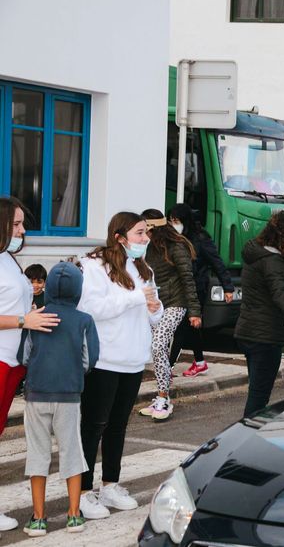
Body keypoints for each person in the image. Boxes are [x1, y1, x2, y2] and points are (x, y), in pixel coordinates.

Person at [76, 212, 163, 520]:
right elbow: (90, 309)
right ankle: (83, 492)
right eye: (140, 233)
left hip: (133, 359)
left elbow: (154, 315)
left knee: (118, 427)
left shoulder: (143, 268)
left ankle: (110, 484)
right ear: (119, 236)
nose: (145, 239)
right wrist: (135, 299)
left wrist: (154, 306)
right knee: (92, 426)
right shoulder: (95, 267)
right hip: (104, 359)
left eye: (147, 233)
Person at [17, 262, 99, 536]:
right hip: (69, 395)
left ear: (49, 286)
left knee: (38, 454)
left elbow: (23, 357)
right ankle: (74, 515)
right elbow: (90, 360)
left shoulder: (35, 316)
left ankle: (38, 518)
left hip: (37, 393)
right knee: (72, 451)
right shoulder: (84, 320)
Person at [0, 197, 61, 534]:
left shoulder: (8, 259)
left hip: (12, 361)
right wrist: (25, 320)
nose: (22, 231)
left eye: (22, 224)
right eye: (16, 224)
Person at [234, 211, 284, 418]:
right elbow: (280, 294)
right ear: (282, 236)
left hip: (249, 331)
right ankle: (247, 438)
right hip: (264, 336)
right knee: (259, 398)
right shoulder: (272, 260)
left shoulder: (257, 253)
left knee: (257, 392)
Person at [138, 209, 200, 421]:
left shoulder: (176, 246)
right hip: (156, 303)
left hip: (176, 302)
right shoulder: (146, 246)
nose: (143, 234)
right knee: (158, 349)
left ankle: (164, 398)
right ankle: (160, 396)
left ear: (156, 228)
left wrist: (194, 311)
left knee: (158, 345)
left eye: (146, 230)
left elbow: (187, 279)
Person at [167, 203, 234, 377]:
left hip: (197, 289)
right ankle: (200, 362)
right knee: (192, 327)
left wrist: (228, 287)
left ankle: (167, 367)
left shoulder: (200, 238)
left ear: (185, 220)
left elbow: (217, 262)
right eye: (171, 220)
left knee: (182, 327)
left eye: (176, 220)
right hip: (179, 288)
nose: (173, 224)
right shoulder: (175, 238)